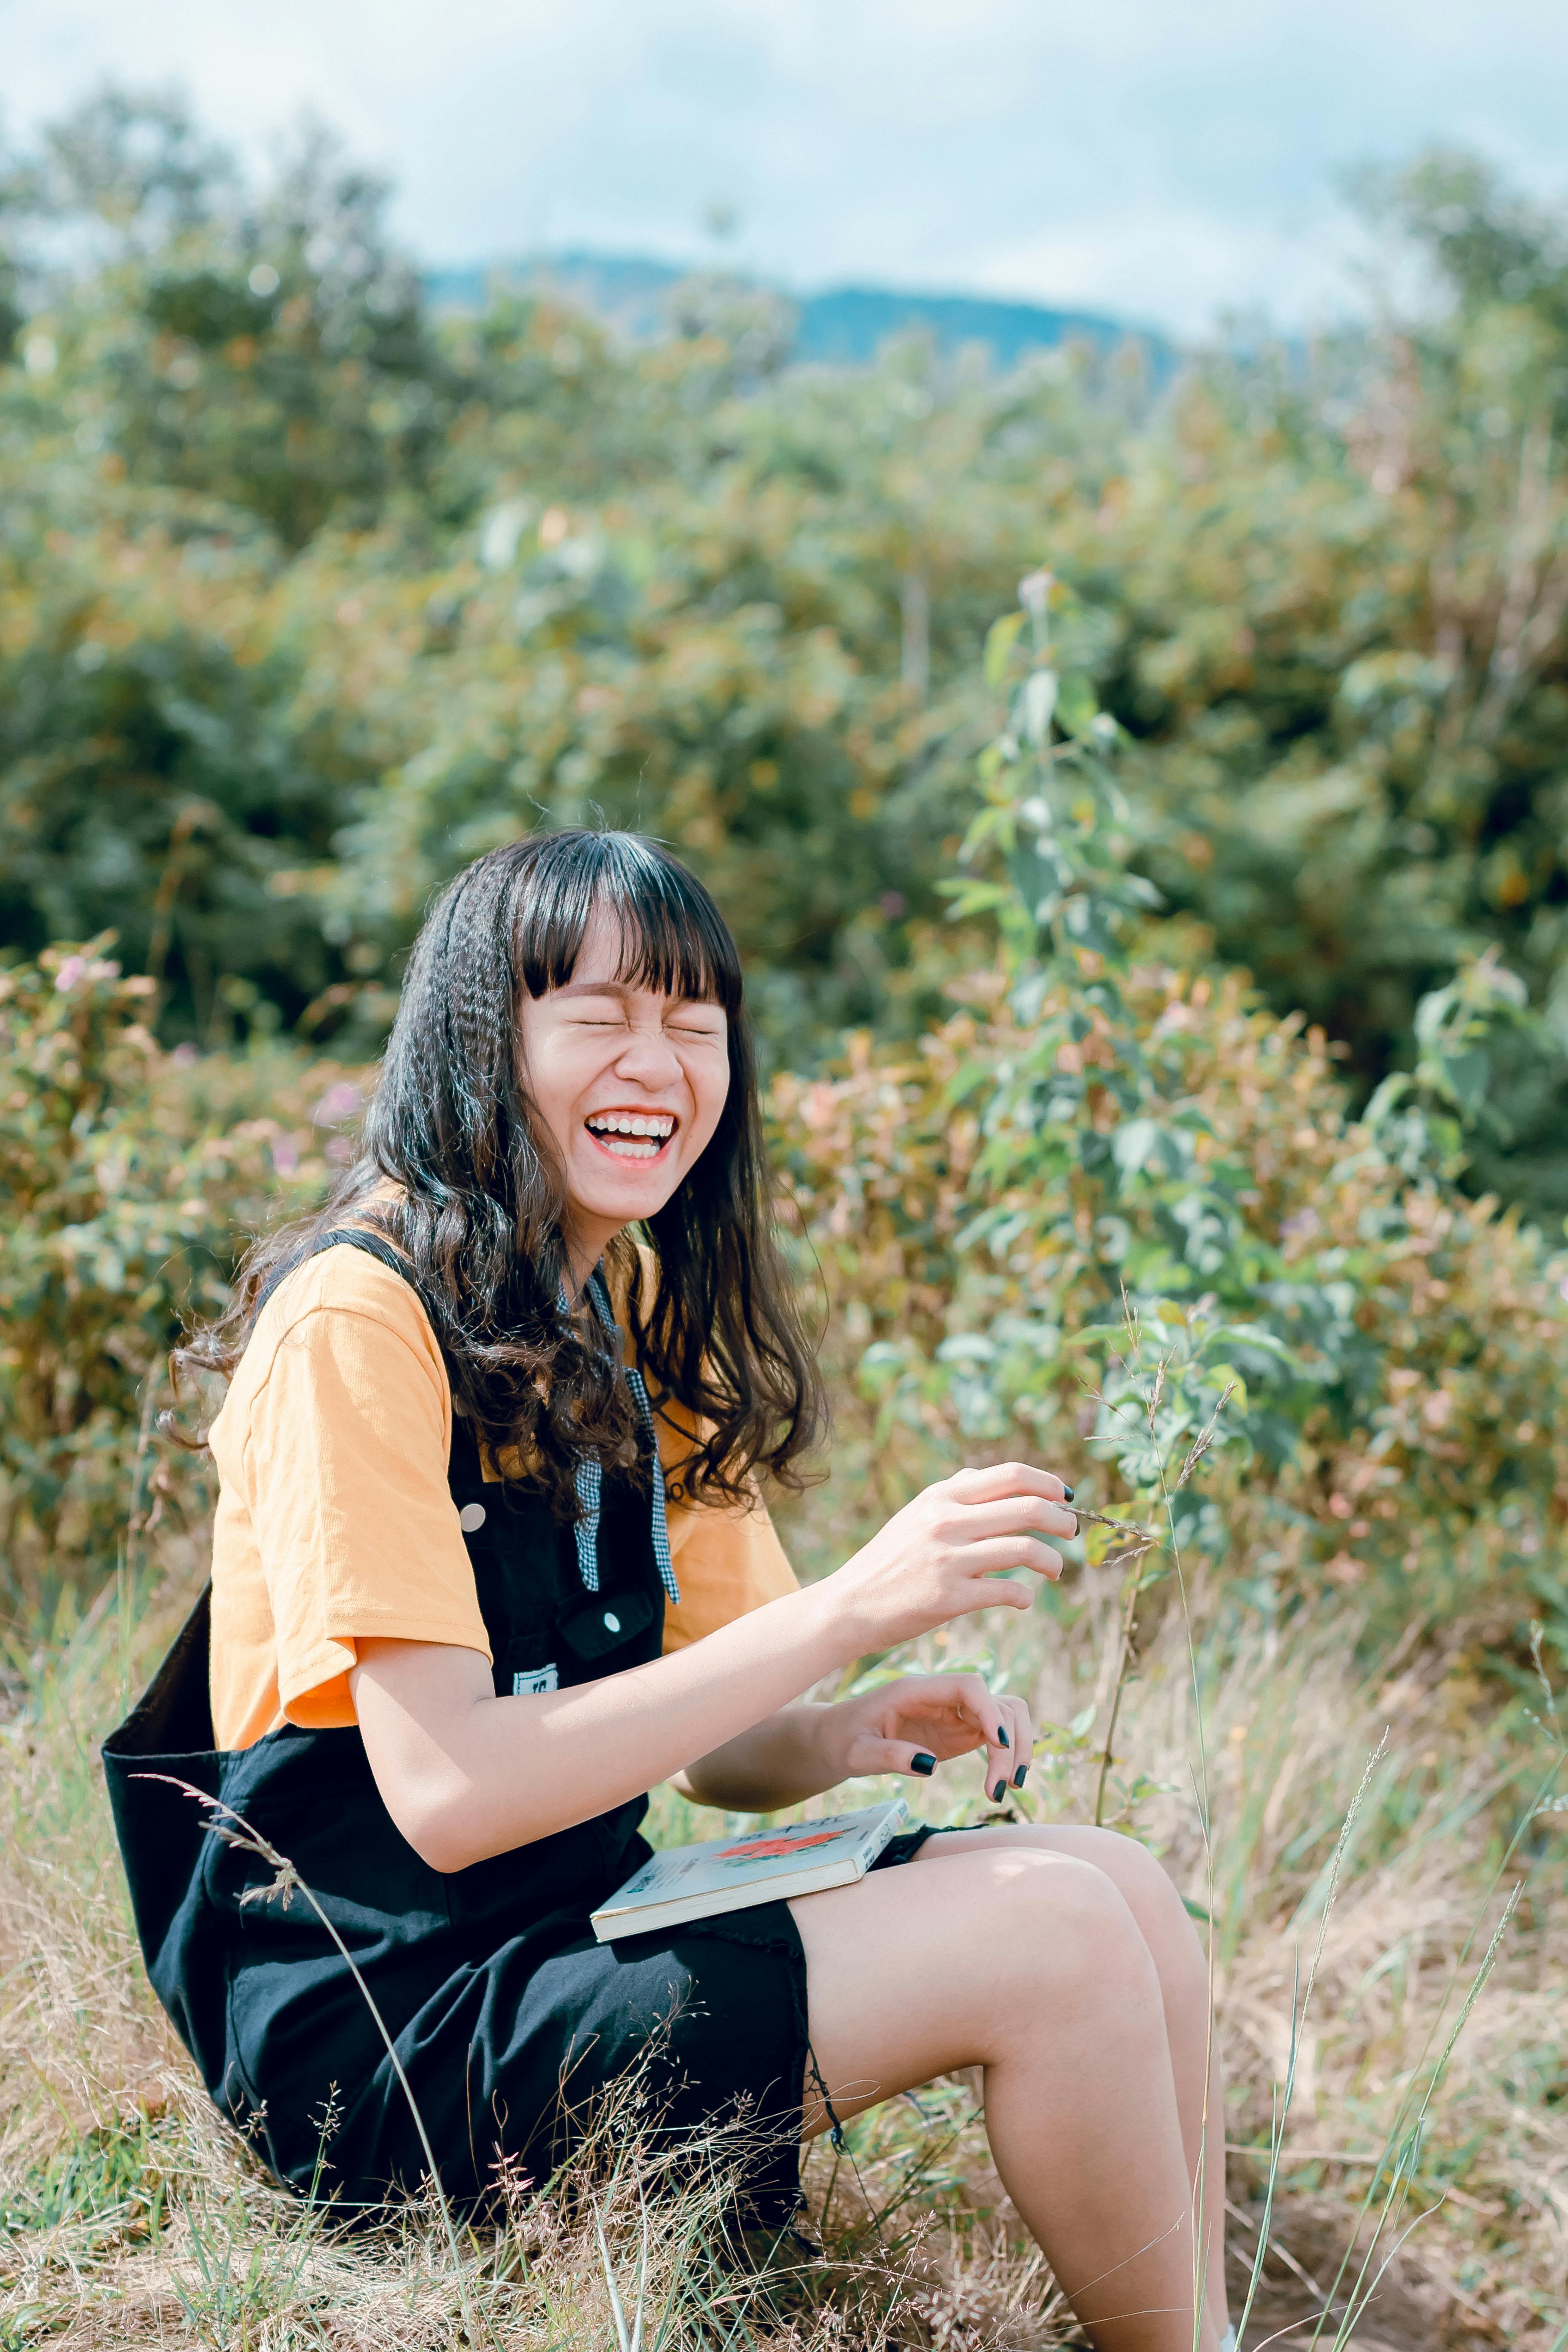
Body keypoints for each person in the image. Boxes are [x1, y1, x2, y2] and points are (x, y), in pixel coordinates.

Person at [105, 830, 1231, 2352]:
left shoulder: (613, 1307)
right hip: (389, 2036)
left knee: (1128, 1894)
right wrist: (849, 1605)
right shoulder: (356, 1321)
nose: (660, 1063)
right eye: (603, 1016)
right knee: (1060, 1940)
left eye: (695, 1023)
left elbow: (715, 1748)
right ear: (483, 1036)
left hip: (570, 1927)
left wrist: (839, 1731)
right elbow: (448, 1795)